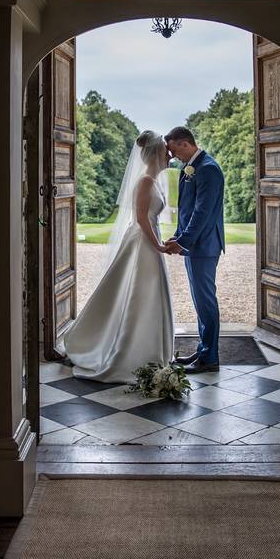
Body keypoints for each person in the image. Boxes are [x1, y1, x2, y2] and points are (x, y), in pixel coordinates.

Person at [59, 130, 175, 383]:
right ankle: (127, 352)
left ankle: (152, 352)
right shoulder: (145, 181)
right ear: (156, 153)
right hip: (142, 243)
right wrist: (158, 245)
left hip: (150, 242)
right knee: (138, 293)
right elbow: (142, 218)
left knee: (148, 294)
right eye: (166, 151)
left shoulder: (153, 181)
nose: (170, 155)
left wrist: (160, 243)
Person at [163, 126, 225, 374]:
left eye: (174, 149)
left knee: (206, 301)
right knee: (200, 301)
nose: (173, 156)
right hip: (194, 245)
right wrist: (178, 236)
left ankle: (210, 358)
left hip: (204, 246)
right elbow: (186, 209)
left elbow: (202, 213)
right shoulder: (189, 168)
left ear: (186, 143)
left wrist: (183, 241)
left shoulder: (208, 168)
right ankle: (203, 351)